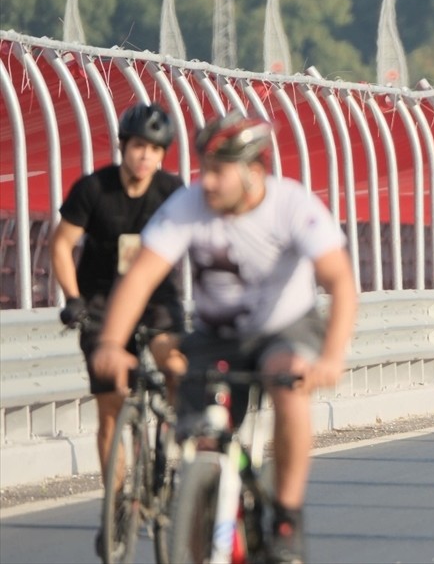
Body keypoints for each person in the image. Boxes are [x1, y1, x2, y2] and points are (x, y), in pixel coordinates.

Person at [91, 112, 358, 564]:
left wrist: (331, 357)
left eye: (218, 171)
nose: (206, 183)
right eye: (203, 169)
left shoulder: (292, 206)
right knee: (200, 435)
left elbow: (340, 282)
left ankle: (287, 516)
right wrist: (111, 344)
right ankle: (202, 508)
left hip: (284, 329)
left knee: (287, 383)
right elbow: (139, 278)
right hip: (215, 336)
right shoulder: (187, 206)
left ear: (254, 171)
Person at [50, 102, 185, 556]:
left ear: (164, 155)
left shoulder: (173, 192)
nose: (145, 157)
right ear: (123, 147)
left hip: (157, 301)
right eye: (138, 147)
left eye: (155, 150)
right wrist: (72, 300)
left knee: (176, 363)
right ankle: (119, 501)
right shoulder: (93, 189)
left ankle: (172, 448)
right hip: (102, 305)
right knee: (111, 398)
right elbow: (63, 244)